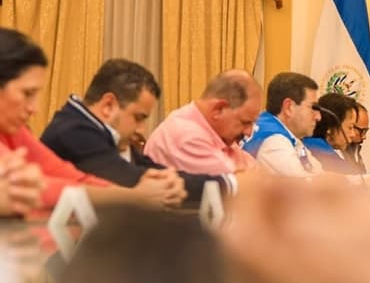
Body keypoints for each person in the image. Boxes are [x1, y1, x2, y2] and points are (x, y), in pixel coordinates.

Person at [0, 28, 183, 211]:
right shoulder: (71, 130)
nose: (34, 108)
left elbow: (70, 177)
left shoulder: (15, 132)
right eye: (27, 93)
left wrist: (138, 194)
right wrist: (134, 197)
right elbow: (45, 190)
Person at [41, 59, 234, 203]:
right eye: (138, 117)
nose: (141, 129)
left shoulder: (100, 131)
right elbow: (130, 179)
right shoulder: (73, 132)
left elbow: (150, 170)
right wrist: (228, 185)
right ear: (108, 105)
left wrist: (172, 180)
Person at [244, 73, 370, 193]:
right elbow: (307, 188)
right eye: (312, 107)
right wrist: (367, 183)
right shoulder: (274, 141)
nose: (318, 116)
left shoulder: (288, 137)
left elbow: (319, 174)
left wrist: (369, 180)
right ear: (289, 107)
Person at [145, 69, 261, 176]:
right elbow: (242, 185)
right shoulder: (186, 137)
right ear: (218, 109)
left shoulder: (220, 136)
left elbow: (260, 177)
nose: (249, 132)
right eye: (245, 123)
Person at [344, 102, 369, 173]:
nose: (364, 137)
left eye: (366, 131)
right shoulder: (326, 152)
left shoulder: (354, 149)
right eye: (362, 131)